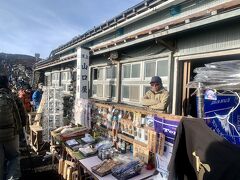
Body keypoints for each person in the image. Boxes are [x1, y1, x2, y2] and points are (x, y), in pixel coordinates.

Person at [0, 75, 27, 180]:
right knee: (14, 158)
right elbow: (23, 115)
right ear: (7, 83)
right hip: (12, 133)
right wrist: (21, 128)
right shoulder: (12, 96)